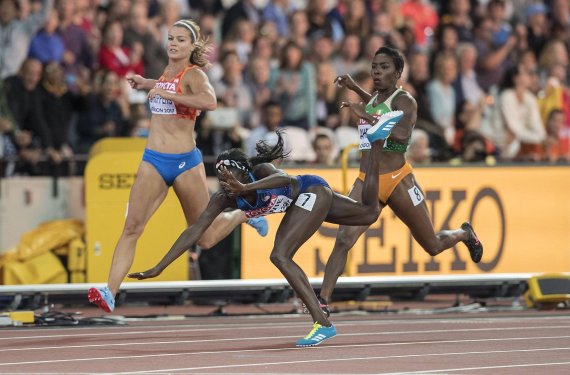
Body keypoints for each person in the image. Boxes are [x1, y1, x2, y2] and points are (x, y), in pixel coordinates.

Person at [127, 126, 396, 347]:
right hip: (310, 199)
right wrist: (159, 267)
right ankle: (372, 142)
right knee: (369, 212)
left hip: (310, 189)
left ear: (242, 170)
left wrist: (247, 186)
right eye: (218, 175)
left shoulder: (262, 171)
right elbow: (195, 231)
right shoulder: (223, 199)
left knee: (279, 255)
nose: (222, 180)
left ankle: (322, 322)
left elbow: (286, 181)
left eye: (227, 172)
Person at [87, 19, 268, 313]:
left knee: (206, 239)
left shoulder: (194, 74)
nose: (173, 43)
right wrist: (147, 83)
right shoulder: (168, 70)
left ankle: (244, 214)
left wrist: (165, 93)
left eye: (181, 40)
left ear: (192, 46)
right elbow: (166, 86)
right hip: (153, 160)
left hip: (185, 163)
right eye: (171, 38)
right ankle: (110, 290)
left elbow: (209, 102)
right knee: (132, 226)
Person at [318, 46, 484, 310]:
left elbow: (401, 134)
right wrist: (354, 88)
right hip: (366, 179)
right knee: (343, 240)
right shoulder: (374, 96)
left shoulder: (406, 100)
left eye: (383, 67)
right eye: (374, 66)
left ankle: (463, 234)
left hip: (397, 179)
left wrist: (367, 117)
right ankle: (323, 300)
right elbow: (376, 104)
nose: (376, 71)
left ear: (397, 73)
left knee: (432, 245)